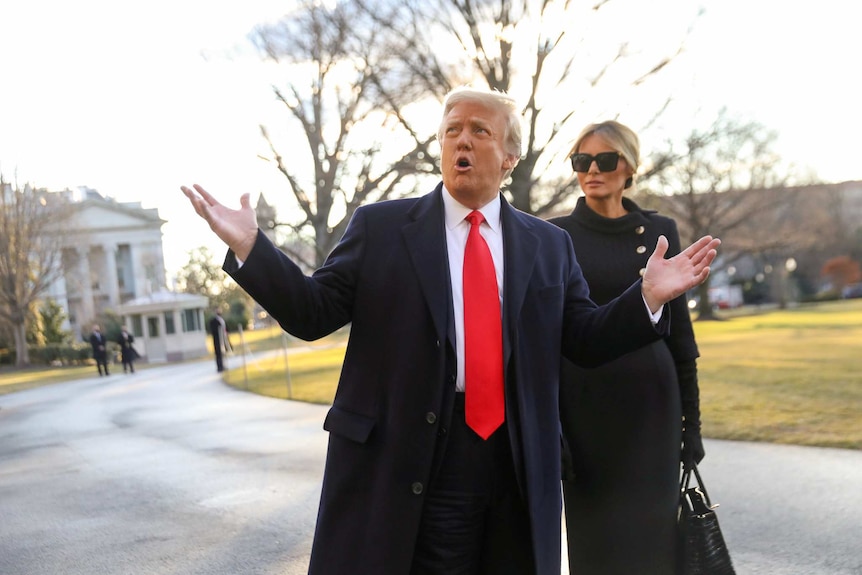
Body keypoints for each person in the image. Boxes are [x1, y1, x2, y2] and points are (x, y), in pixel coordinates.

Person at [181, 86, 719, 575]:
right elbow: (311, 312)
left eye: (479, 131)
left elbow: (583, 337)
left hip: (516, 459)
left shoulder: (547, 245)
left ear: (509, 157)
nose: (462, 140)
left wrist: (645, 298)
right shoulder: (383, 228)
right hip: (417, 454)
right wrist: (253, 248)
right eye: (451, 130)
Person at [549, 120, 706, 574]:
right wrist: (552, 426)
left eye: (605, 159)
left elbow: (680, 333)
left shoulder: (659, 231)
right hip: (585, 411)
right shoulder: (554, 236)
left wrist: (690, 422)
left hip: (653, 409)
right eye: (582, 161)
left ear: (630, 166)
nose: (592, 169)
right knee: (595, 543)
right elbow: (549, 336)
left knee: (654, 540)